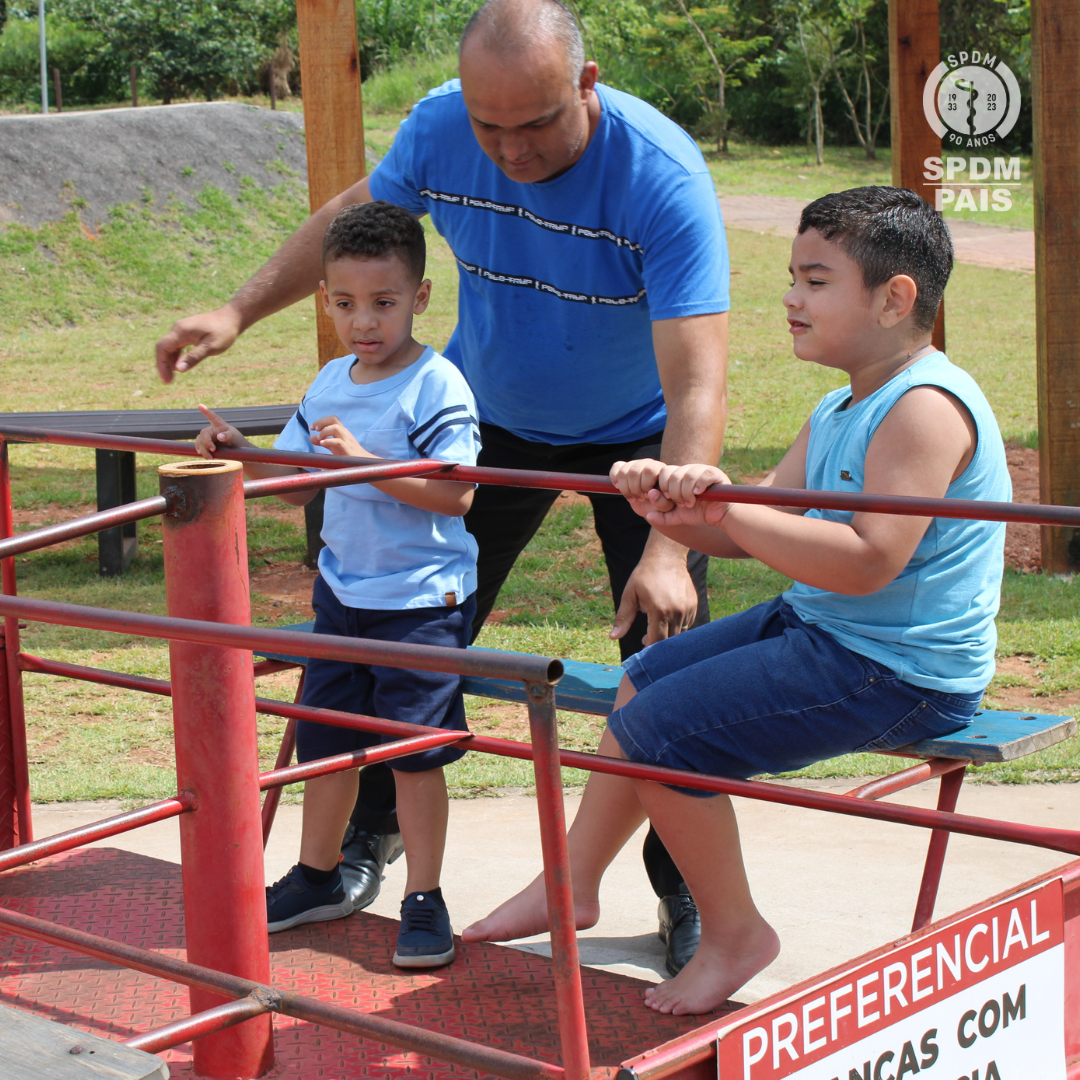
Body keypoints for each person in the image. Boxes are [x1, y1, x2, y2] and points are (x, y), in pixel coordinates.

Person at [155, 0, 728, 968]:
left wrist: (670, 545)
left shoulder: (659, 178)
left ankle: (693, 895)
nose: (508, 149)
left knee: (671, 667)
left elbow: (699, 381)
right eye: (487, 125)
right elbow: (352, 223)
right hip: (489, 419)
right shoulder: (438, 127)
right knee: (402, 631)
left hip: (639, 442)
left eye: (536, 124)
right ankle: (361, 850)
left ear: (586, 87)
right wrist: (239, 310)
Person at [461, 186, 1011, 1013]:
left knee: (659, 735)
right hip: (830, 629)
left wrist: (730, 505)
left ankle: (734, 932)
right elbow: (754, 523)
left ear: (896, 298)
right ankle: (570, 882)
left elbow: (867, 563)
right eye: (794, 275)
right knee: (642, 678)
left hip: (901, 670)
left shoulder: (926, 409)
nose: (790, 296)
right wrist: (679, 508)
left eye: (816, 280)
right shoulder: (841, 404)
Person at [194, 201, 480, 968]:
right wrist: (240, 452)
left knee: (414, 758)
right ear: (325, 298)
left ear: (419, 299)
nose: (364, 322)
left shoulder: (438, 386)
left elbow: (457, 495)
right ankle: (317, 876)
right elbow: (292, 485)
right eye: (346, 303)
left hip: (421, 603)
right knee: (325, 746)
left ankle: (425, 896)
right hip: (342, 598)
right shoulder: (329, 381)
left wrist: (361, 465)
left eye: (384, 303)